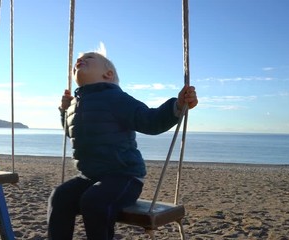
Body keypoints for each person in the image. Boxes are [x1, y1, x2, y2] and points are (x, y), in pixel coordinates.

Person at [47, 51, 198, 240]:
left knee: (93, 200)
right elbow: (71, 132)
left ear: (108, 74)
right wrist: (64, 110)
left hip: (124, 177)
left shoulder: (116, 99)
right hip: (89, 177)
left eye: (88, 58)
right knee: (59, 196)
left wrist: (177, 105)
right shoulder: (75, 104)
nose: (79, 60)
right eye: (78, 60)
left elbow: (150, 121)